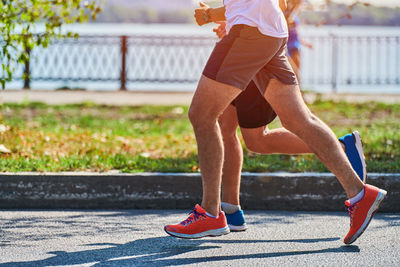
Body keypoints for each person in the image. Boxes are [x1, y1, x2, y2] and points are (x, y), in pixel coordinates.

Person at [164, 0, 386, 245]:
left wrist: (214, 16)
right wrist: (224, 16)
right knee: (298, 119)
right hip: (271, 30)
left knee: (202, 115)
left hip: (251, 32)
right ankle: (360, 194)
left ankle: (211, 214)